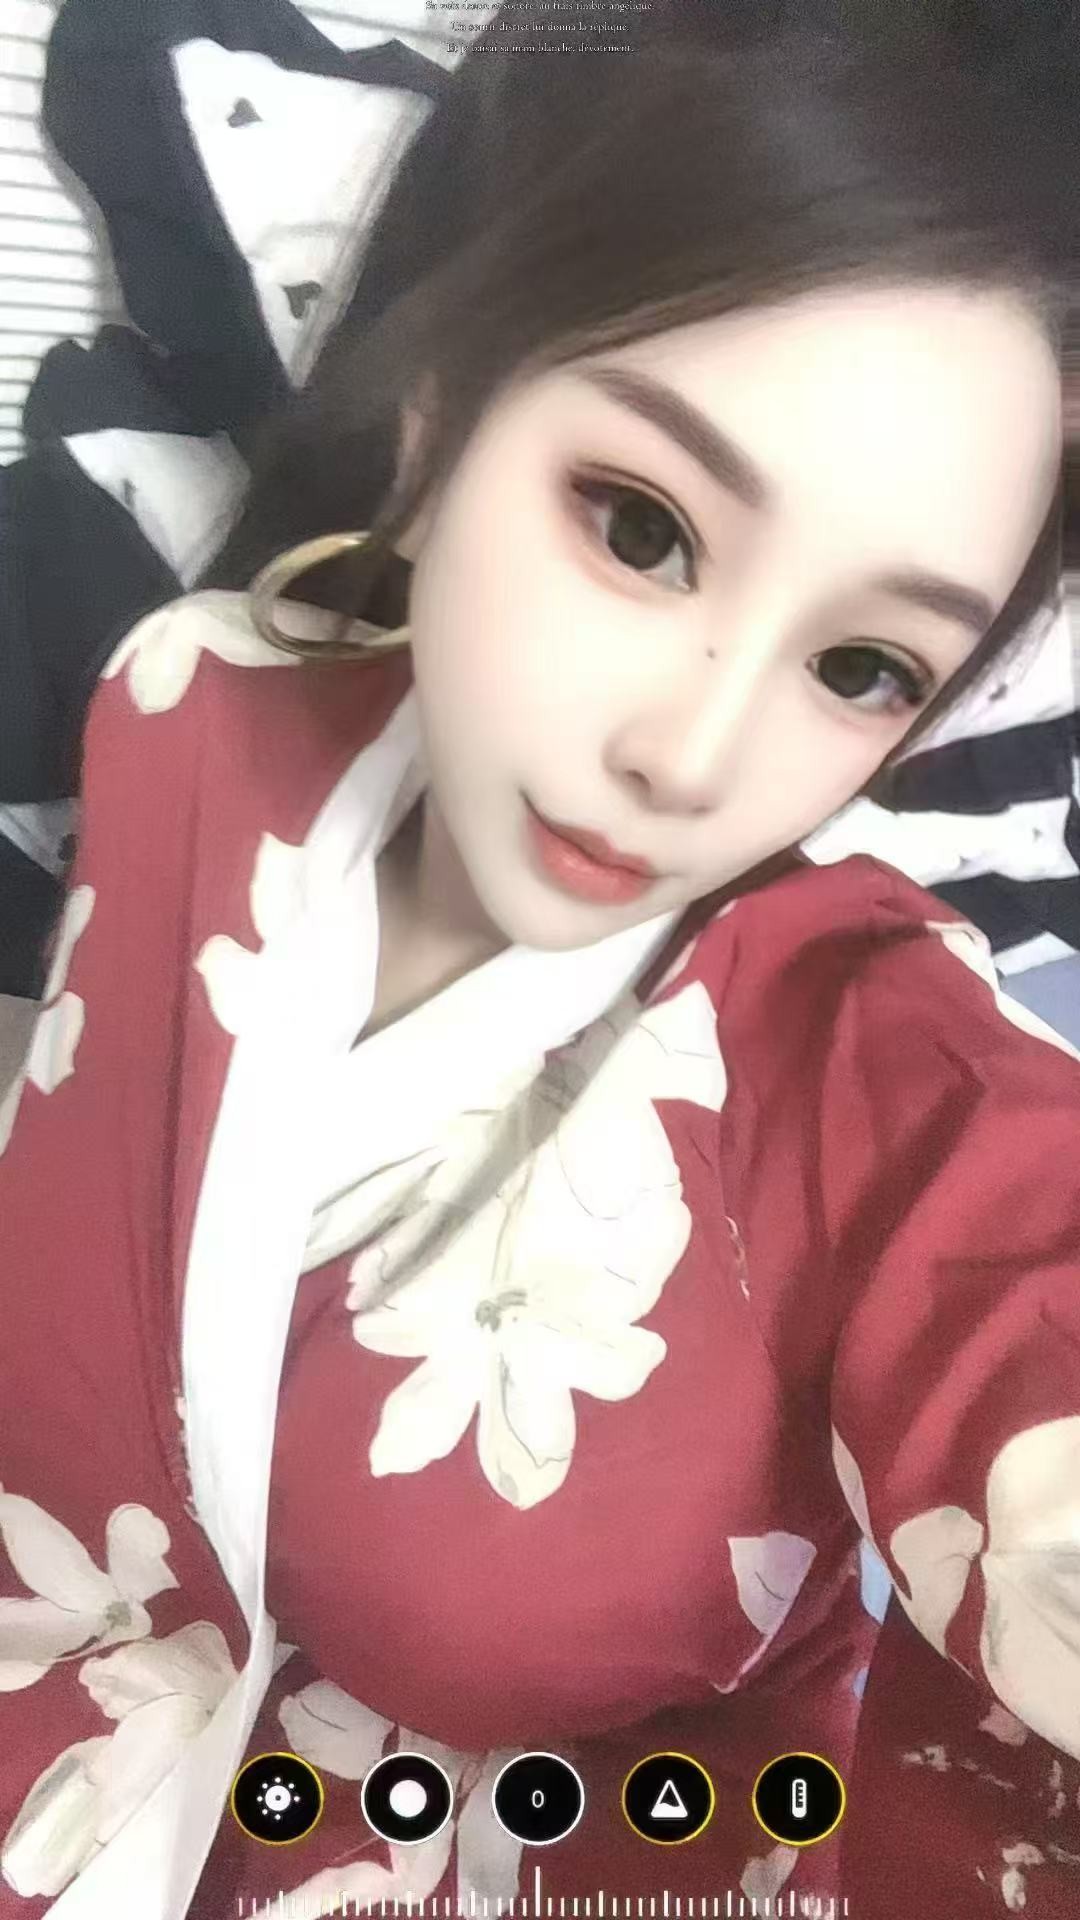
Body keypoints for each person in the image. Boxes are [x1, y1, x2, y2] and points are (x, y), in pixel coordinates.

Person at [1, 7, 1078, 1917]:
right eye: (642, 528)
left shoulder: (858, 1043)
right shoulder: (190, 713)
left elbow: (1019, 1304)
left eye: (862, 668)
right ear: (439, 416)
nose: (692, 754)